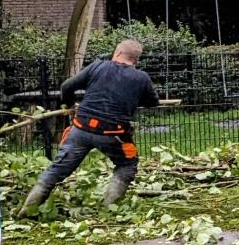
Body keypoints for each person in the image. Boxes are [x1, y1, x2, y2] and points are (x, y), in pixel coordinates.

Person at [22, 39, 159, 212]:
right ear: (136, 60)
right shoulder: (142, 78)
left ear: (116, 53)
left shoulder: (97, 66)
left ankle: (28, 208)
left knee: (57, 169)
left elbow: (66, 87)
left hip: (81, 128)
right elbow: (153, 102)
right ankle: (110, 209)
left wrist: (69, 104)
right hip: (113, 134)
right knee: (127, 165)